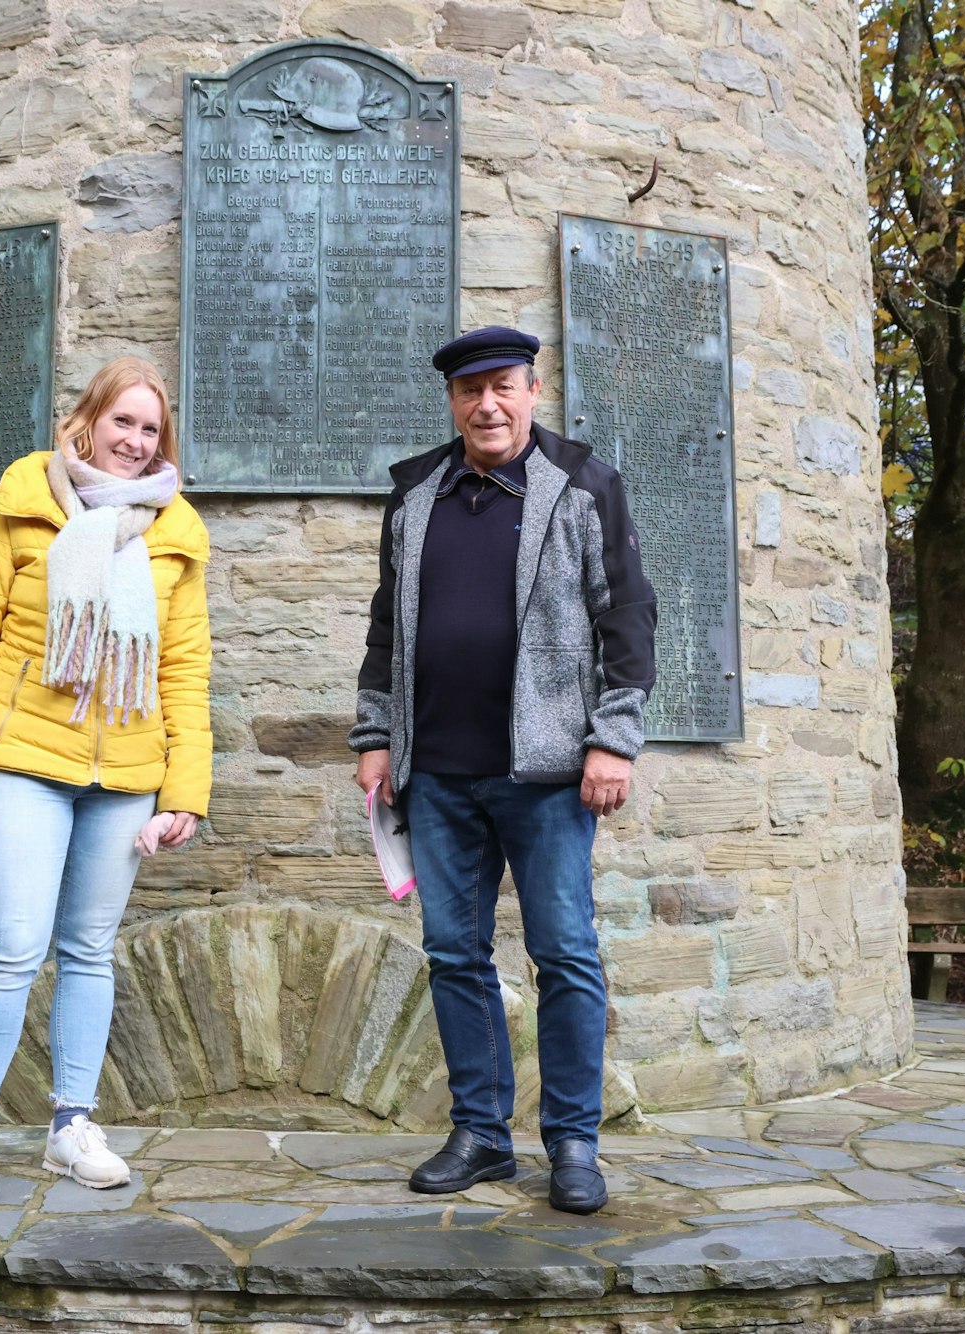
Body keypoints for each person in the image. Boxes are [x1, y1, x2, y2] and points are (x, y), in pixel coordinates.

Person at [350, 326, 656, 1215]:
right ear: (452, 401)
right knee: (454, 956)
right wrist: (375, 734)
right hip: (436, 774)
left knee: (564, 955)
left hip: (553, 775)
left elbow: (629, 619)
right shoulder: (415, 496)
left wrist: (613, 739)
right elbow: (385, 629)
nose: (486, 405)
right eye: (468, 391)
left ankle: (572, 1145)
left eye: (503, 388)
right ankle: (482, 1135)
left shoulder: (584, 485)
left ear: (531, 390)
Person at [0, 356, 212, 1207]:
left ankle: (70, 1127)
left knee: (89, 950)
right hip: (24, 762)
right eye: (121, 422)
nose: (133, 441)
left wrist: (184, 790)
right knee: (13, 945)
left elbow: (186, 667)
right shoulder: (18, 504)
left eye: (149, 429)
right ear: (85, 421)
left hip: (128, 769)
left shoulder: (176, 531)